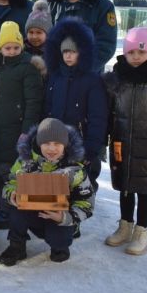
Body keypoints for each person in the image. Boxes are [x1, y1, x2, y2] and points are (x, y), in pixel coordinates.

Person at [102, 27, 147, 255]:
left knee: (145, 190)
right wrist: (103, 142)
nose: (136, 56)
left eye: (141, 52)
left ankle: (142, 231)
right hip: (121, 144)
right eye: (132, 51)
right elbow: (108, 113)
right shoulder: (115, 81)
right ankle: (125, 225)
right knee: (125, 188)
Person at [0, 118, 95, 266]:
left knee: (59, 239)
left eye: (57, 144)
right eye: (46, 143)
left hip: (59, 216)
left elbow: (86, 202)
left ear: (65, 144)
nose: (51, 149)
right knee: (15, 211)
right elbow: (10, 183)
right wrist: (12, 194)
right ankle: (16, 246)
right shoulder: (26, 161)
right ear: (38, 143)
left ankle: (60, 246)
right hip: (31, 212)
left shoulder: (75, 169)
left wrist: (65, 217)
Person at [0, 21, 44, 230]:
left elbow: (33, 102)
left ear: (21, 46)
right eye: (7, 48)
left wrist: (26, 131)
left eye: (15, 47)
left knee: (13, 170)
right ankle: (3, 208)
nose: (11, 52)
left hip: (16, 128)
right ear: (0, 48)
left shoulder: (28, 66)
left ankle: (13, 210)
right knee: (0, 167)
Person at [43, 18, 108, 190]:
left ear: (82, 52)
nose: (68, 56)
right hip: (55, 143)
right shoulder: (55, 77)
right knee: (55, 187)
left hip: (81, 144)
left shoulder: (92, 80)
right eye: (65, 52)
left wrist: (91, 148)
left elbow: (98, 117)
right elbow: (47, 109)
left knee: (80, 188)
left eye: (73, 51)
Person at [47, 0, 117, 73]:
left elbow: (106, 45)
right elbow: (46, 41)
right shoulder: (52, 4)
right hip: (58, 76)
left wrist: (83, 68)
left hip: (88, 79)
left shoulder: (103, 6)